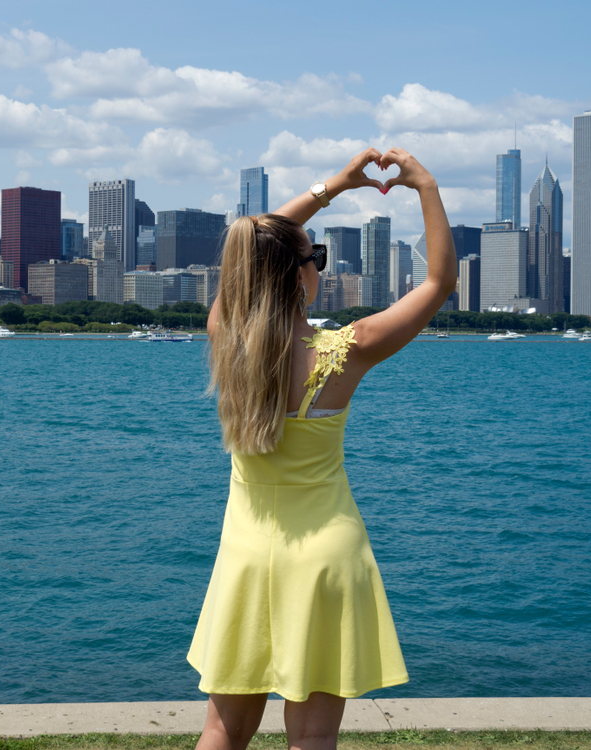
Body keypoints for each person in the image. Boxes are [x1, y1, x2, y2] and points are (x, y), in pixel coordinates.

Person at [188, 147, 456, 750]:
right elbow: (439, 282)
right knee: (311, 741)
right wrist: (425, 186)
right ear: (298, 274)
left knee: (222, 732)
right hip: (327, 560)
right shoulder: (346, 350)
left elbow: (252, 251)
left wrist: (332, 186)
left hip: (246, 554)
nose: (323, 269)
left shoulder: (226, 337)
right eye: (318, 259)